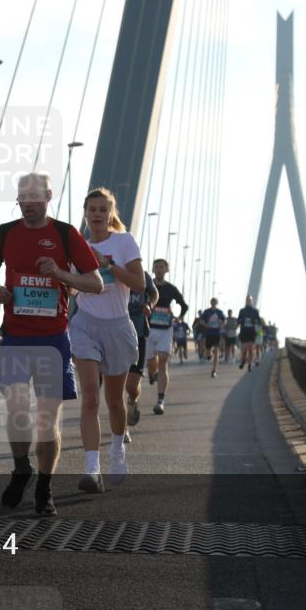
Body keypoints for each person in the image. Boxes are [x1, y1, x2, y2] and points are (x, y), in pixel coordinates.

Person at [0, 173, 102, 516]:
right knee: (18, 411)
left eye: (35, 195)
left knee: (47, 420)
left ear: (49, 196)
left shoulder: (66, 234)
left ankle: (45, 487)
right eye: (22, 195)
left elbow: (95, 284)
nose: (28, 201)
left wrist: (61, 275)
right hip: (16, 337)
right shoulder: (4, 233)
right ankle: (22, 468)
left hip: (52, 339)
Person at [70, 188, 144, 493]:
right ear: (86, 213)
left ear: (110, 213)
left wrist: (108, 265)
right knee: (89, 396)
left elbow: (139, 284)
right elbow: (72, 290)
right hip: (85, 325)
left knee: (114, 401)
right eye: (92, 209)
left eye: (103, 209)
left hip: (117, 327)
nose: (97, 214)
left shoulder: (123, 242)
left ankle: (117, 450)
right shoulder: (77, 247)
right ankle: (92, 468)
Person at [144, 259, 189, 415]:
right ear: (153, 269)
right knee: (150, 361)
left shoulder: (171, 289)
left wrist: (180, 317)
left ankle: (160, 400)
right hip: (149, 328)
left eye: (162, 266)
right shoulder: (147, 286)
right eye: (156, 266)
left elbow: (184, 305)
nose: (159, 269)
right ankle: (152, 373)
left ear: (166, 270)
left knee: (163, 361)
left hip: (165, 329)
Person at [125, 270, 157, 434]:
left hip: (138, 333)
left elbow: (153, 293)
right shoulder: (108, 270)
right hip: (116, 334)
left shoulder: (142, 274)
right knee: (116, 385)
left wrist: (149, 304)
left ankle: (133, 400)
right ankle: (122, 429)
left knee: (131, 386)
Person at [200, 298, 225, 378]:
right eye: (212, 302)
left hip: (217, 333)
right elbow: (201, 320)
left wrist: (222, 325)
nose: (214, 303)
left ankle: (214, 370)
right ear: (210, 303)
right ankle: (208, 355)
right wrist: (205, 325)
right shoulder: (207, 312)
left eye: (215, 302)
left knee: (217, 351)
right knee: (208, 352)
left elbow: (225, 321)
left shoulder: (219, 312)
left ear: (217, 303)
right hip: (209, 334)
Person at [237, 295, 261, 372]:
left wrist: (255, 322)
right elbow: (238, 320)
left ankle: (250, 365)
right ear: (246, 301)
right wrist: (241, 322)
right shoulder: (242, 311)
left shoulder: (255, 311)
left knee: (250, 349)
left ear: (252, 301)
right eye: (247, 300)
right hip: (244, 331)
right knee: (244, 349)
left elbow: (259, 321)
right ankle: (243, 360)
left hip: (252, 332)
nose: (248, 301)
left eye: (250, 300)